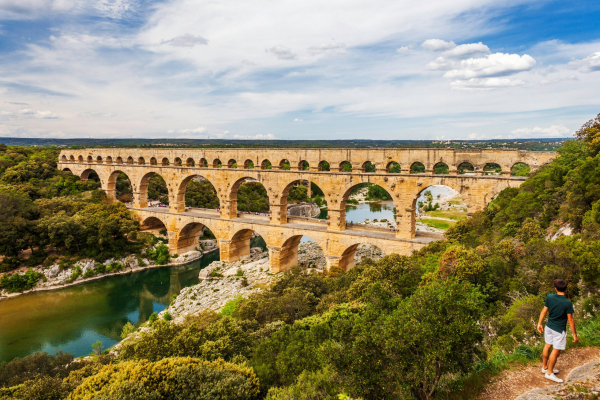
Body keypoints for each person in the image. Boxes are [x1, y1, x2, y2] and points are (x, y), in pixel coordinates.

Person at [537, 279, 578, 383]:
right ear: (565, 288)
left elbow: (544, 311)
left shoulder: (549, 297)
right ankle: (549, 373)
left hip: (549, 327)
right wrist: (574, 335)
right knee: (556, 351)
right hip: (559, 330)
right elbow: (571, 320)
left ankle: (545, 367)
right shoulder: (567, 303)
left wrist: (539, 323)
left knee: (547, 346)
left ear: (555, 288)